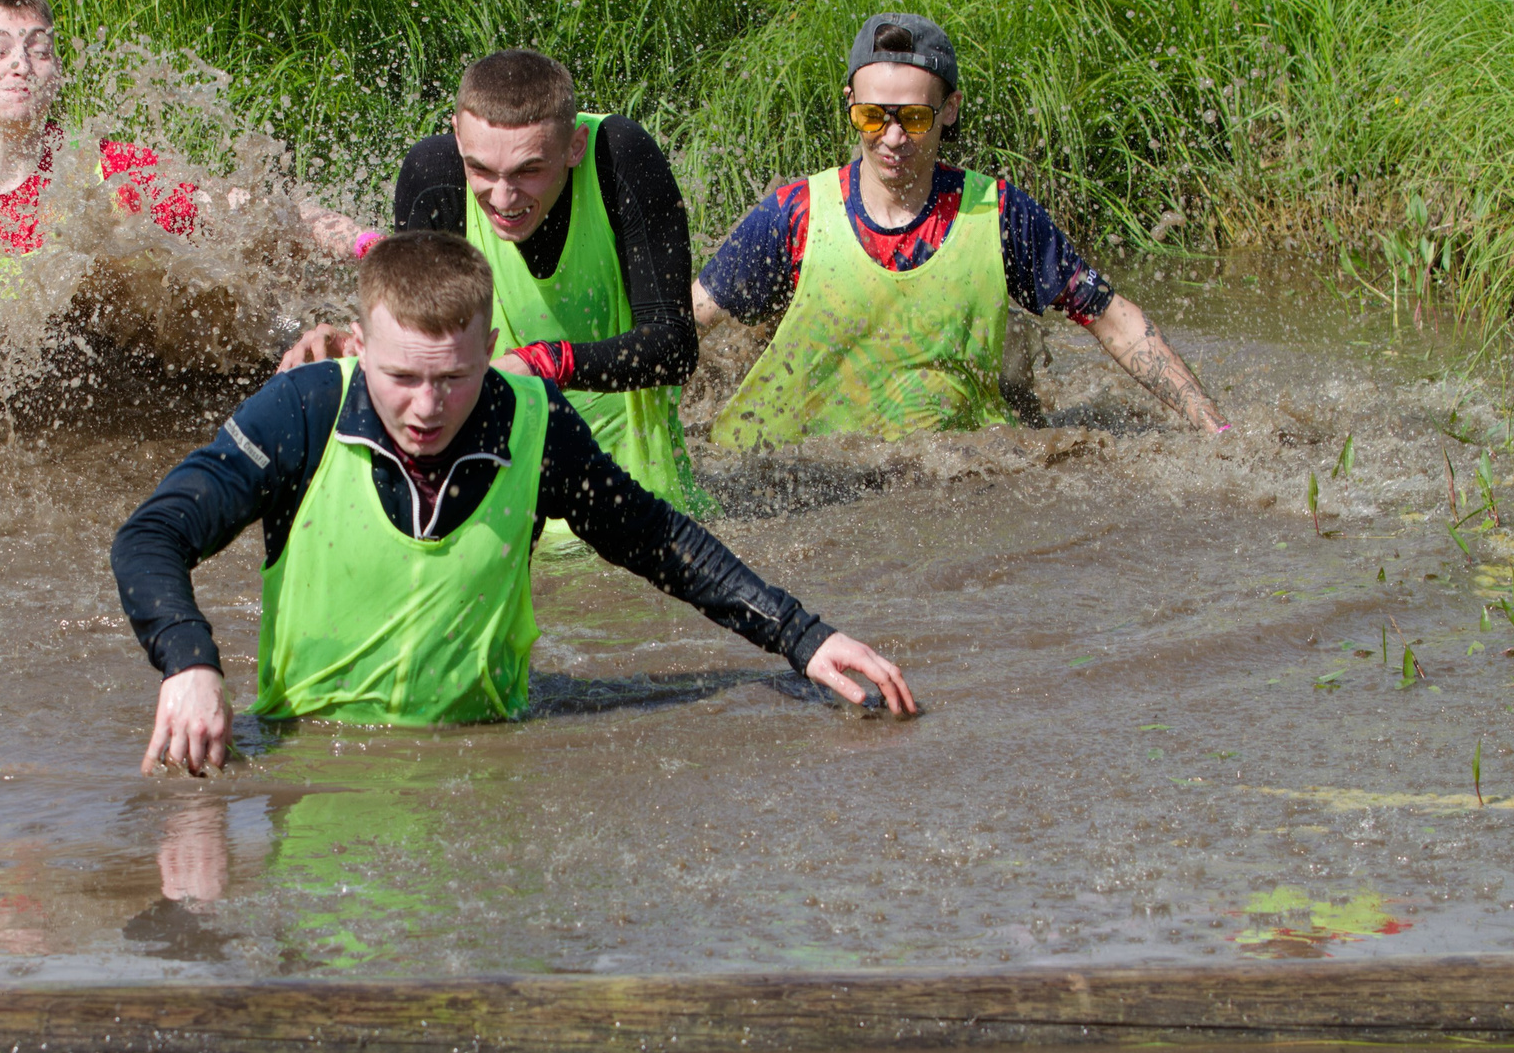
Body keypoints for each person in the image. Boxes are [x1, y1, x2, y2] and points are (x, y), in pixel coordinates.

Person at [116, 231, 917, 773]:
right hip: (311, 753)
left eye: (453, 378)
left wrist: (803, 636)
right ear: (361, 346)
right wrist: (189, 662)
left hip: (486, 755)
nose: (427, 406)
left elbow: (654, 538)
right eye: (401, 377)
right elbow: (151, 536)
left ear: (487, 347)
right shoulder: (302, 410)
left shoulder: (532, 423)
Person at [693, 13, 1225, 448]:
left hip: (950, 479)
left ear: (950, 110)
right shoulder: (794, 216)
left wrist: (1214, 427)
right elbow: (687, 323)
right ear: (850, 105)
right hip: (785, 473)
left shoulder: (996, 216)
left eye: (915, 118)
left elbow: (1111, 318)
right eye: (873, 117)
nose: (893, 138)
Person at [276, 50, 707, 515]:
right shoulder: (433, 177)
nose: (503, 199)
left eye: (530, 170)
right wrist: (353, 347)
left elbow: (674, 347)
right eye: (480, 169)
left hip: (633, 499)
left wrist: (541, 362)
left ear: (574, 146)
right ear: (458, 135)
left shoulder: (618, 157)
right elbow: (421, 348)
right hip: (498, 492)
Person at [0, 0, 348, 286]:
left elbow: (257, 215)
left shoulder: (111, 171)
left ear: (57, 71)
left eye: (39, 51)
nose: (20, 65)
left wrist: (370, 243)